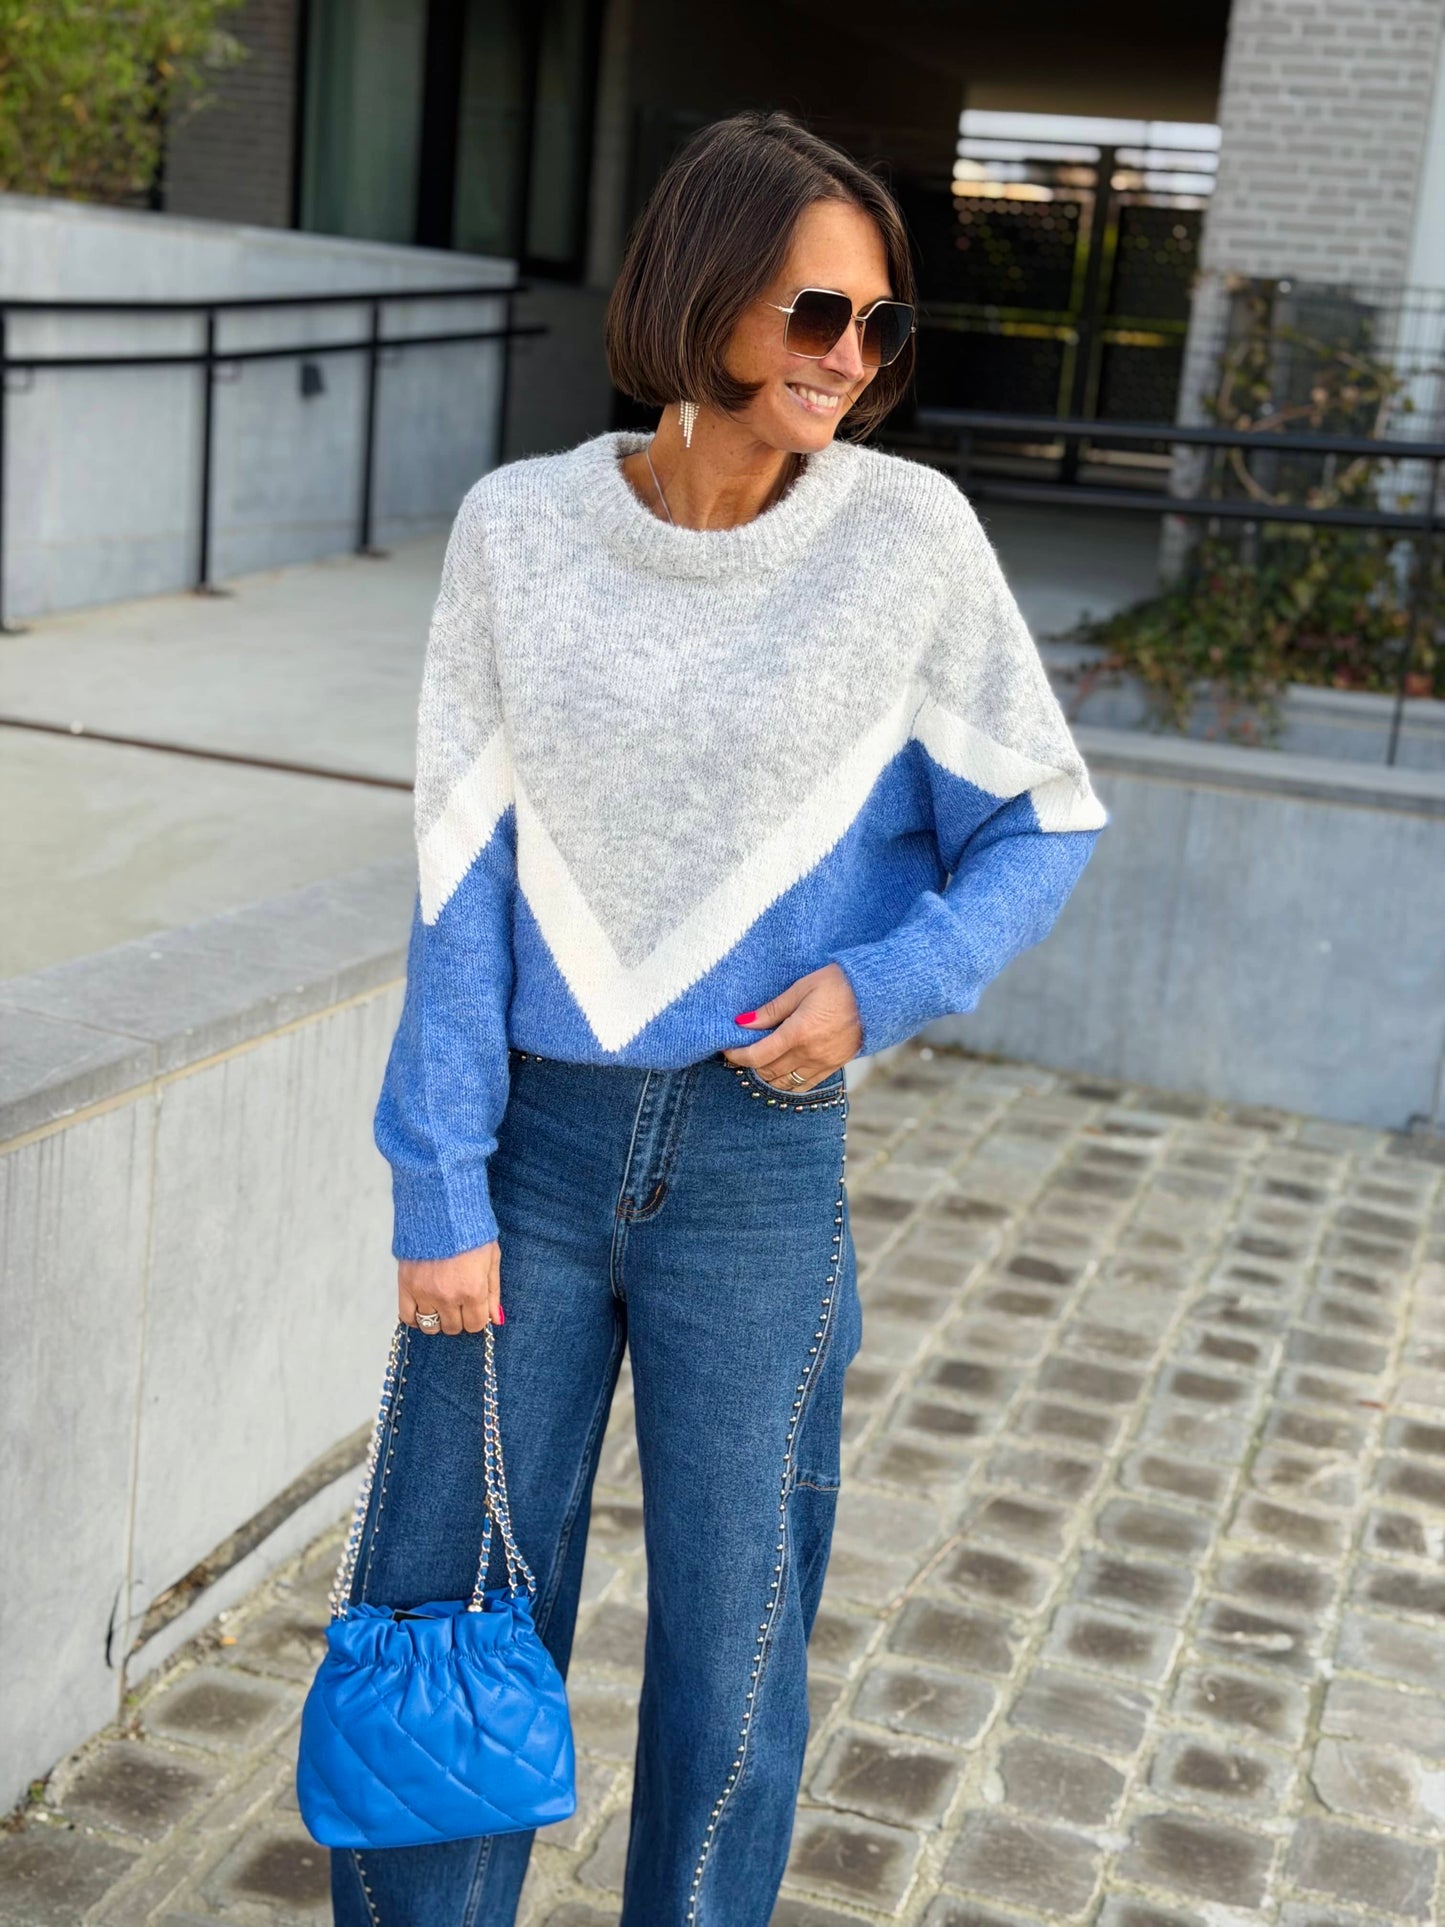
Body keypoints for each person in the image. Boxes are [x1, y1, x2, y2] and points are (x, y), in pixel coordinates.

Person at [332, 106, 1109, 1927]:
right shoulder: (519, 530)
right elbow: (459, 877)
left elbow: (1043, 821)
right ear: (703, 295)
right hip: (526, 1156)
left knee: (735, 1656)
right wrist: (435, 1184)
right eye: (815, 314)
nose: (851, 356)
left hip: (759, 1168)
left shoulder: (906, 540)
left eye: (878, 326)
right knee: (445, 1610)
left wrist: (880, 987)